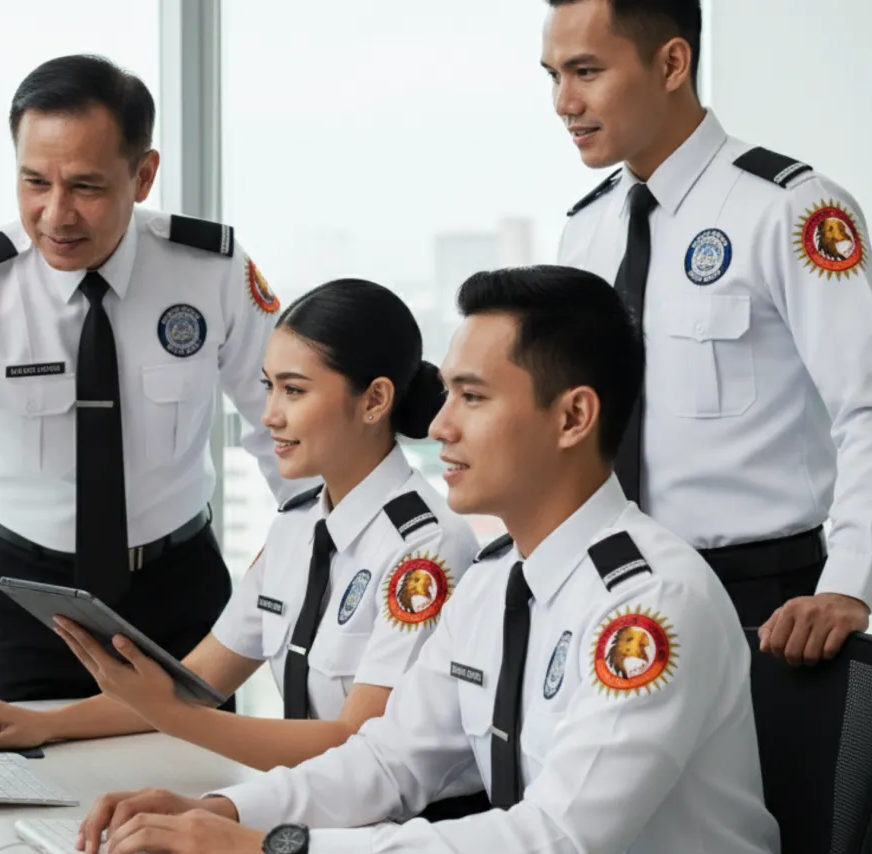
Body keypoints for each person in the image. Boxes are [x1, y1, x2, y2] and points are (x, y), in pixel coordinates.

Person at [72, 266, 779, 854]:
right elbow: (389, 761)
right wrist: (225, 811)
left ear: (572, 418)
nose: (438, 425)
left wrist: (273, 846)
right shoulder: (497, 581)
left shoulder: (649, 606)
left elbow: (557, 838)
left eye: (471, 398)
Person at [0, 54, 302, 702]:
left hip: (178, 591)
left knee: (194, 787)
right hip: (26, 599)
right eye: (34, 183)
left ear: (143, 176)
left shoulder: (209, 270)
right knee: (14, 787)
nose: (56, 214)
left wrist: (309, 528)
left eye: (85, 186)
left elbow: (283, 412)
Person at [0, 281, 482, 816]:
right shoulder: (299, 525)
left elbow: (355, 746)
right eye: (268, 387)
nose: (270, 416)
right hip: (320, 809)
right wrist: (47, 723)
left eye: (294, 389)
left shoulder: (425, 550)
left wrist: (169, 716)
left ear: (375, 400)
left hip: (414, 828)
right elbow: (200, 681)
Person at [545, 0, 872, 665]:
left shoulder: (790, 209)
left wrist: (849, 583)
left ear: (672, 62)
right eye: (552, 75)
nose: (563, 101)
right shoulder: (584, 230)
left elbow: (871, 407)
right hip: (608, 592)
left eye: (585, 71)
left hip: (763, 604)